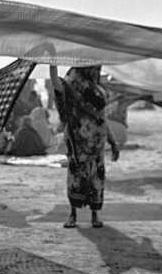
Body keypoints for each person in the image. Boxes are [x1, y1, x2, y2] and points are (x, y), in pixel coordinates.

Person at [49, 64, 119, 228]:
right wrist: (52, 62)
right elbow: (56, 82)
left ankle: (95, 215)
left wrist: (113, 142)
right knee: (76, 177)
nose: (96, 71)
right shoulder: (71, 86)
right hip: (78, 143)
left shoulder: (99, 91)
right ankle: (73, 214)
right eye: (94, 68)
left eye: (97, 68)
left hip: (96, 145)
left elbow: (102, 119)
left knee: (96, 179)